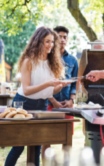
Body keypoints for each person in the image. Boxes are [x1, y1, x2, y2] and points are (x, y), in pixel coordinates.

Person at [5, 26, 69, 166]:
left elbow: (51, 92)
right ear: (38, 41)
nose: (50, 45)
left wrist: (60, 86)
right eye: (47, 41)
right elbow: (27, 90)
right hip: (22, 104)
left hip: (42, 105)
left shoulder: (53, 63)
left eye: (52, 42)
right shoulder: (28, 61)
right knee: (18, 146)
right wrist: (48, 84)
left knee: (36, 146)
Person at [42, 26, 78, 159]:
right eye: (59, 37)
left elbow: (74, 83)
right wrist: (53, 101)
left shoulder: (73, 60)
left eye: (65, 37)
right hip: (49, 104)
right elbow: (44, 83)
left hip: (67, 106)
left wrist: (71, 100)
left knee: (67, 139)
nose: (62, 40)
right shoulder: (46, 58)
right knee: (46, 138)